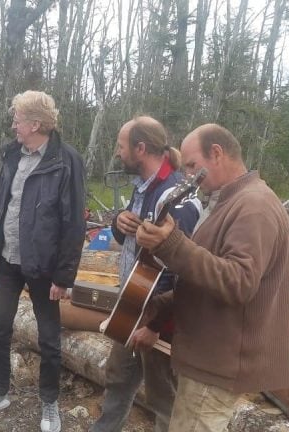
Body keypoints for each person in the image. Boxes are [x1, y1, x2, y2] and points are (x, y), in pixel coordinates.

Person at [135, 123, 289, 432]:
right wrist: (162, 304)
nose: (190, 177)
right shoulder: (231, 200)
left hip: (217, 363)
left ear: (217, 153)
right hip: (208, 357)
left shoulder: (253, 206)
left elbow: (238, 283)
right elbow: (209, 277)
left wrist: (171, 244)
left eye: (194, 166)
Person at [0, 90, 86, 432]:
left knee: (48, 338)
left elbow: (73, 221)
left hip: (45, 267)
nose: (13, 125)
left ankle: (49, 404)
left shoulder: (66, 160)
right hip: (8, 261)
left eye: (17, 119)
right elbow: (0, 206)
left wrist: (64, 277)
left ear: (35, 124)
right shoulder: (11, 155)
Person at [90, 116, 200, 432]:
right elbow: (135, 245)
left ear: (140, 148)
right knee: (118, 377)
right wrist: (118, 222)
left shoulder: (177, 198)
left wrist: (156, 326)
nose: (117, 153)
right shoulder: (143, 189)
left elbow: (181, 271)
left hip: (159, 316)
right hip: (132, 303)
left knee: (164, 395)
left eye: (120, 146)